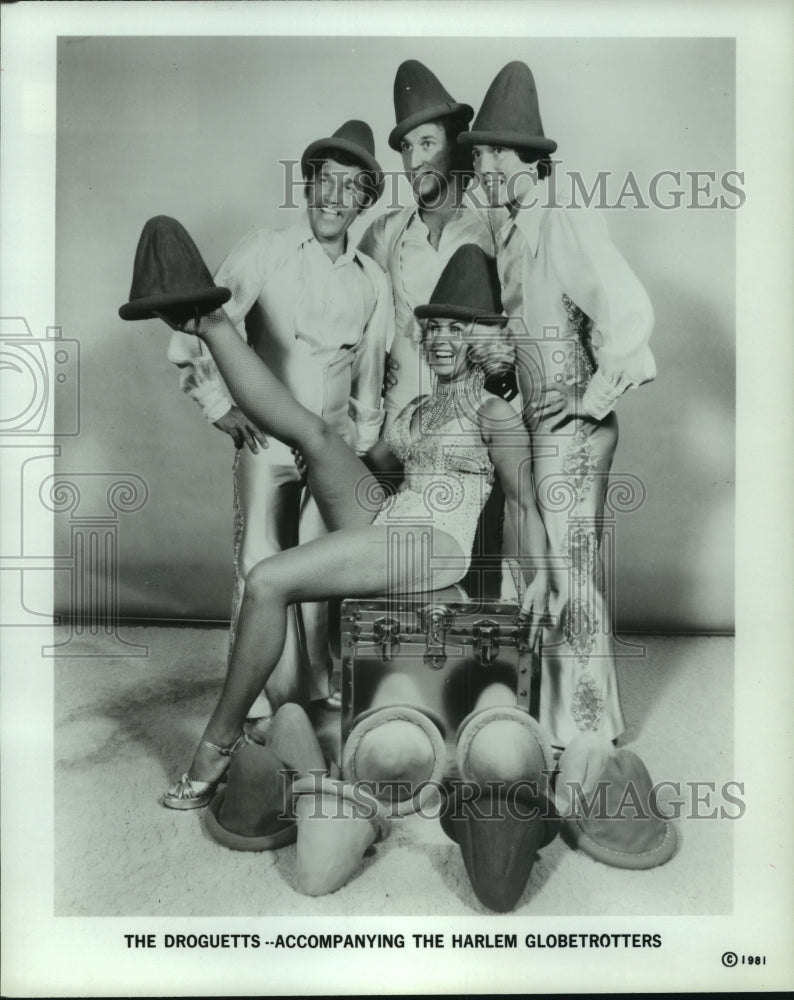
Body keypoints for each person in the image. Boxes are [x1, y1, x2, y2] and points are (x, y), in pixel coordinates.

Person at [158, 243, 551, 809]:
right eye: (435, 327)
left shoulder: (495, 412)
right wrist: (325, 464)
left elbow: (523, 504)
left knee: (268, 580)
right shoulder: (419, 409)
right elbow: (380, 472)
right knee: (314, 434)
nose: (442, 339)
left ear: (482, 340)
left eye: (458, 329)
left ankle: (218, 742)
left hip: (437, 544)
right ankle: (211, 323)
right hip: (395, 517)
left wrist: (537, 577)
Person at [460, 61, 656, 750]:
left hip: (572, 431)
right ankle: (555, 722)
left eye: (489, 154)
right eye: (477, 156)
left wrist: (588, 398)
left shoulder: (564, 216)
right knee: (541, 563)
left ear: (522, 157)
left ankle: (589, 739)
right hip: (542, 426)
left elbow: (628, 316)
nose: (480, 168)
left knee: (570, 570)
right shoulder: (513, 228)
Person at [166, 121, 393, 715]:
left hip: (334, 448)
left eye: (351, 187)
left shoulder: (373, 280)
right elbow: (196, 328)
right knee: (262, 562)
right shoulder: (264, 249)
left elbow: (370, 373)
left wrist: (360, 448)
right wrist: (219, 405)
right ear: (308, 187)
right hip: (266, 444)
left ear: (365, 201)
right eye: (325, 181)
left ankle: (310, 694)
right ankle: (265, 703)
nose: (334, 198)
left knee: (320, 568)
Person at [359, 59, 507, 599]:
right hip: (402, 412)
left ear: (453, 145)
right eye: (406, 147)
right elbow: (354, 309)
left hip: (470, 410)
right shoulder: (385, 232)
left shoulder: (492, 223)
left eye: (427, 143)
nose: (414, 160)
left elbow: (518, 308)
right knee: (392, 541)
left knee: (479, 541)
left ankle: (480, 638)